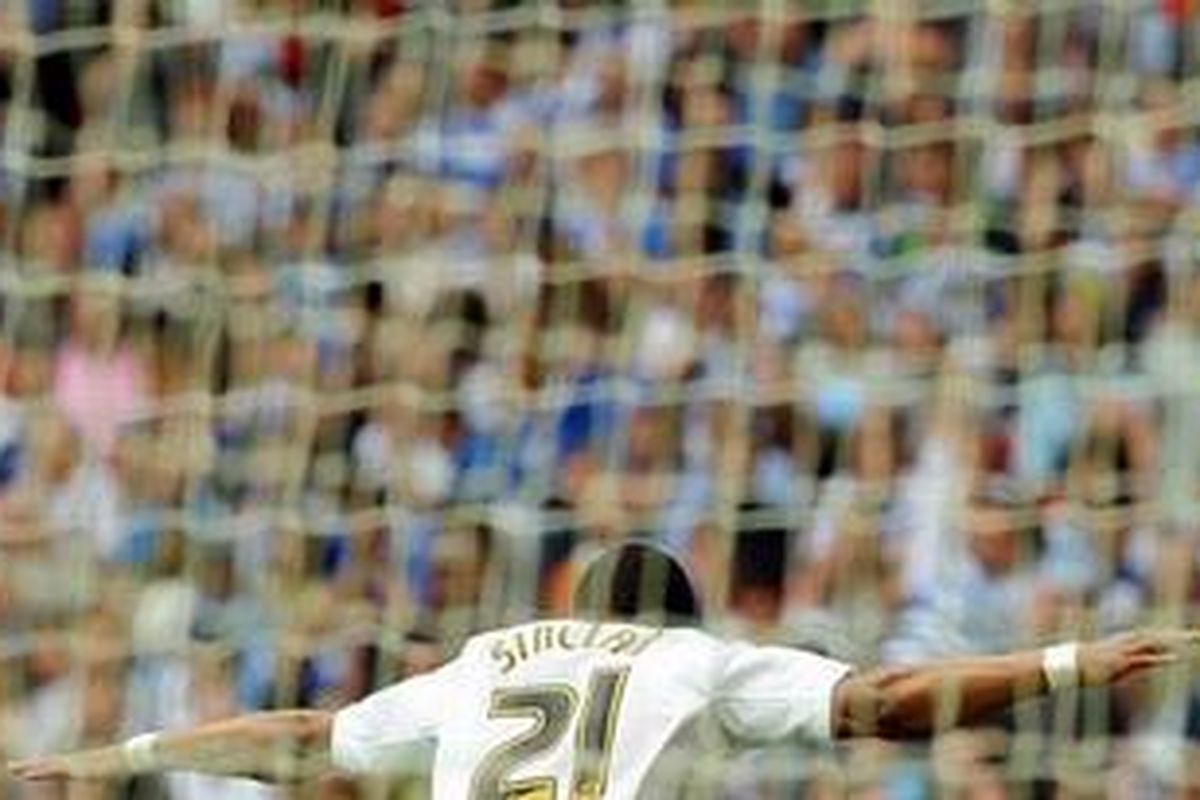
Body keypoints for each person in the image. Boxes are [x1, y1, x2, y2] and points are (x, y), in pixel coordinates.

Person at [6, 541, 1196, 797]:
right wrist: (1066, 657)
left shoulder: (482, 658)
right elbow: (880, 702)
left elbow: (303, 736)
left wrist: (115, 757)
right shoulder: (697, 658)